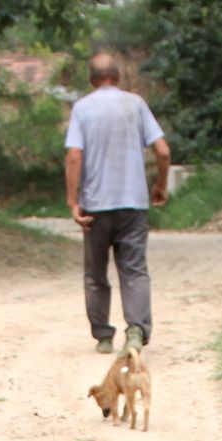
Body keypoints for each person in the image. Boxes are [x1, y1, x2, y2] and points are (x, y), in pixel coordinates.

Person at [64, 50, 170, 354]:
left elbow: (74, 155)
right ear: (118, 77)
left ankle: (103, 336)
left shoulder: (82, 109)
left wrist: (73, 201)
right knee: (134, 270)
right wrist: (160, 184)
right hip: (133, 203)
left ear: (91, 80)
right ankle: (136, 330)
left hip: (95, 206)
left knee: (96, 273)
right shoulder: (135, 105)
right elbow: (162, 151)